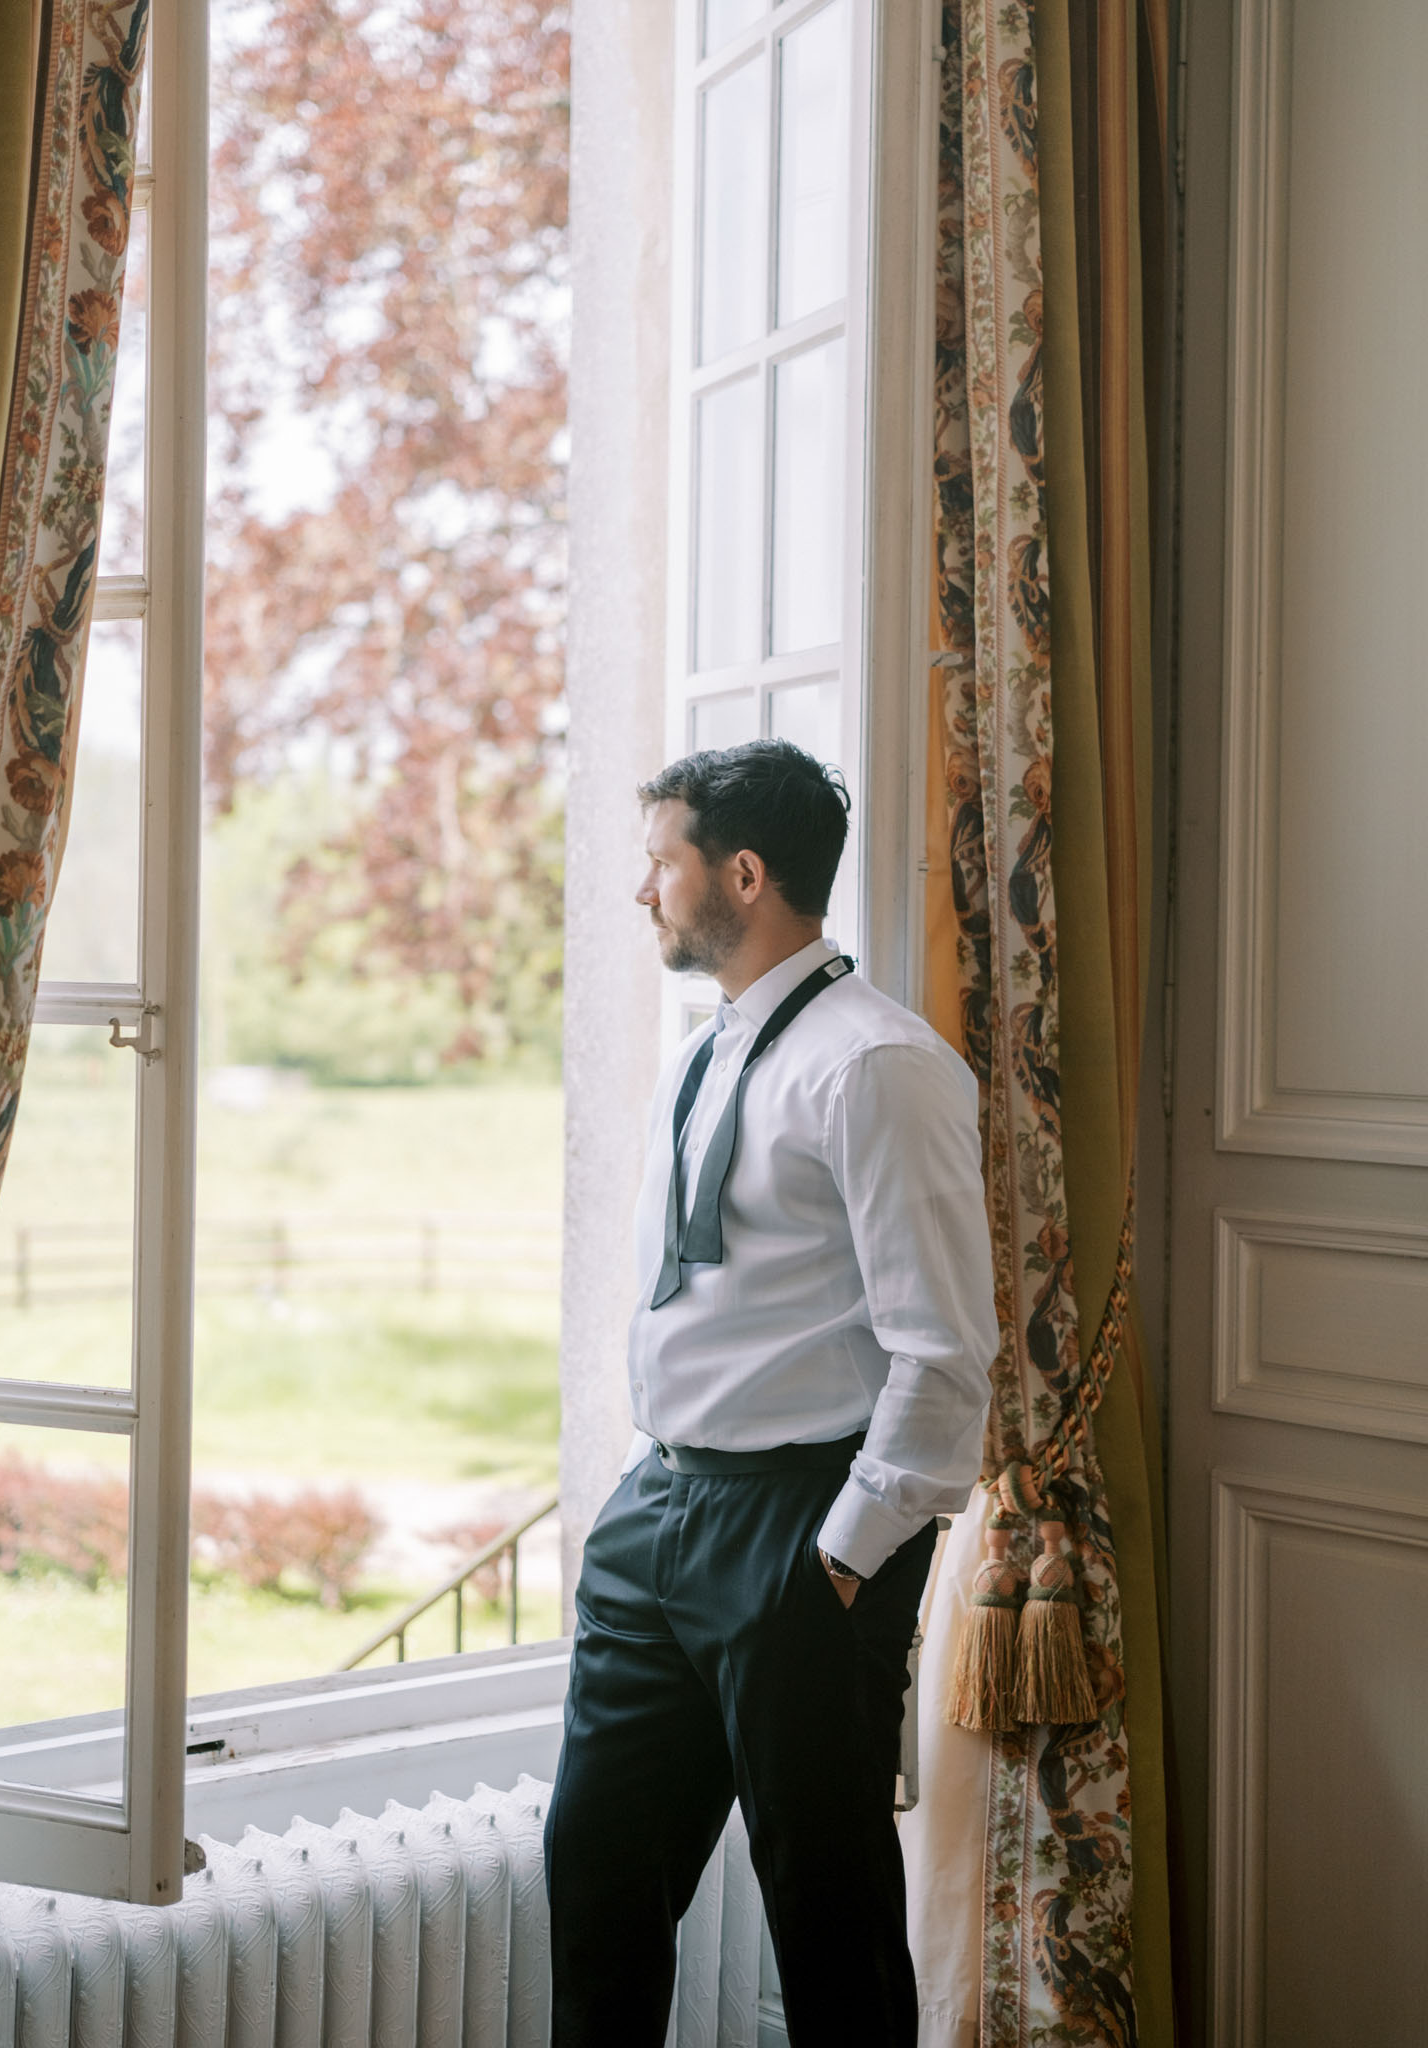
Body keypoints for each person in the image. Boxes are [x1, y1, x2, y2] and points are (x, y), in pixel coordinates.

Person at [545, 740, 998, 2046]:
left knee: (831, 1927)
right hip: (660, 1518)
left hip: (799, 1532)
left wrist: (839, 1565)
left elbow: (944, 1349)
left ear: (743, 874)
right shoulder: (705, 1056)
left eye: (662, 862)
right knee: (598, 1886)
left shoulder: (877, 1067)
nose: (644, 892)